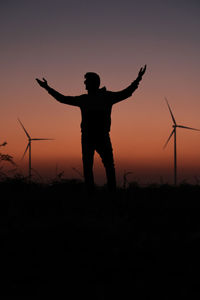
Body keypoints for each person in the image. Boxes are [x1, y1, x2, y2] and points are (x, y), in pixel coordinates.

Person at [36, 65, 146, 193]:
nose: (84, 84)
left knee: (102, 166)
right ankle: (99, 193)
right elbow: (63, 99)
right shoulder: (93, 98)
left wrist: (138, 79)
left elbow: (126, 93)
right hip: (90, 136)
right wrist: (47, 87)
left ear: (94, 83)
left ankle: (106, 194)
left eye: (86, 82)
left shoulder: (100, 98)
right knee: (96, 167)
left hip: (98, 136)